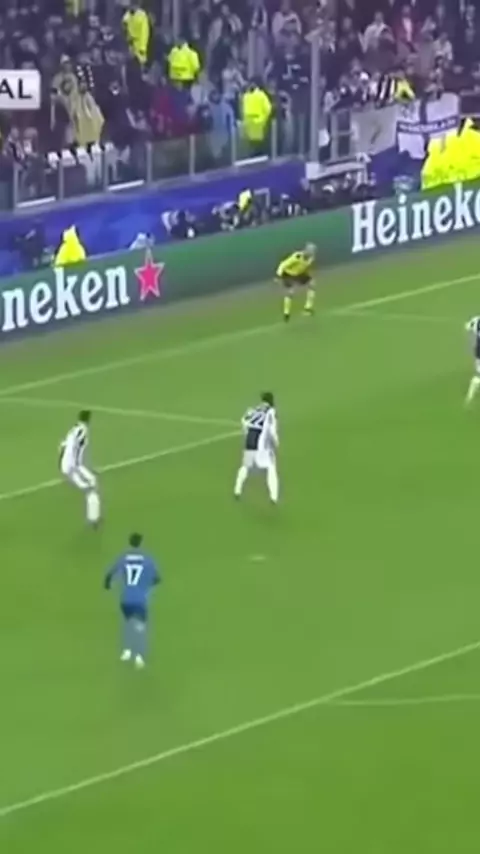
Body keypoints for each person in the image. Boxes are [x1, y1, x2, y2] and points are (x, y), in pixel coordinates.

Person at [104, 533, 160, 669]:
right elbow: (157, 579)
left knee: (128, 624)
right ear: (141, 543)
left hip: (125, 600)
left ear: (130, 543)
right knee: (140, 628)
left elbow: (109, 575)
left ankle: (127, 651)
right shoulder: (147, 560)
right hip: (140, 600)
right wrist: (146, 588)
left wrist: (108, 585)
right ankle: (139, 656)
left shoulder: (123, 558)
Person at [234, 392, 279, 504]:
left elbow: (244, 420)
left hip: (250, 441)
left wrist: (246, 430)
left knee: (246, 465)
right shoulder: (270, 411)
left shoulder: (254, 409)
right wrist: (275, 441)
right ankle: (274, 497)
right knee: (271, 467)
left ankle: (237, 490)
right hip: (261, 443)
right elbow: (272, 429)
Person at [59, 410, 101, 527]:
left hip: (70, 465)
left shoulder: (74, 429)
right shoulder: (82, 431)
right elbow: (76, 448)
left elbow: (63, 445)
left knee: (92, 483)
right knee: (91, 486)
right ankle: (93, 519)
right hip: (73, 466)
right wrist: (78, 467)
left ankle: (94, 517)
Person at [276, 243, 316, 321]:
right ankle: (286, 314)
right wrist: (278, 276)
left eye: (312, 251)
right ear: (306, 250)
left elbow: (305, 267)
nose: (311, 253)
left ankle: (308, 308)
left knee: (312, 284)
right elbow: (283, 264)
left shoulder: (311, 258)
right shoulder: (297, 256)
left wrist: (307, 275)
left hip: (299, 273)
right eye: (309, 250)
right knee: (290, 292)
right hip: (288, 274)